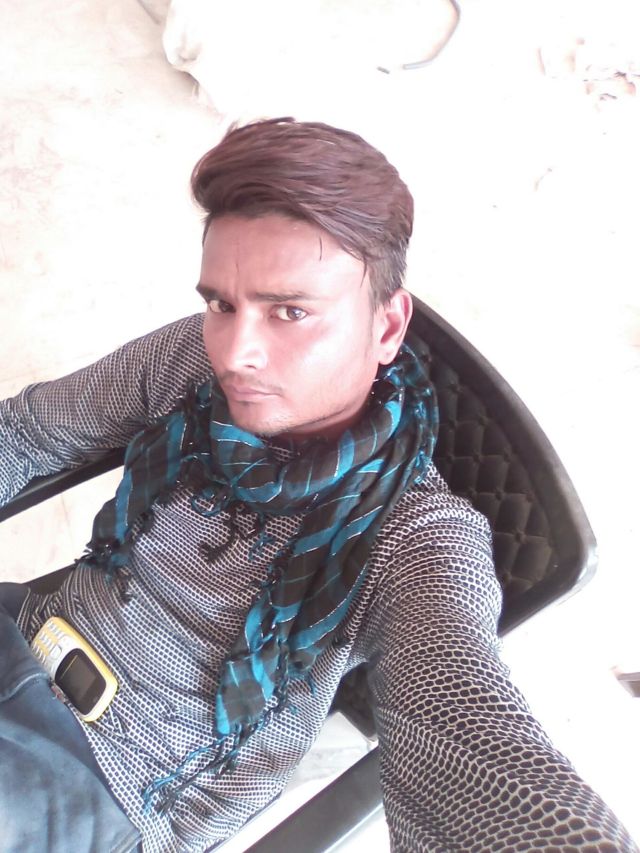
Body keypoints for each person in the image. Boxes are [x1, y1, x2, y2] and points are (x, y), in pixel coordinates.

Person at [0, 118, 636, 853]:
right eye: (223, 304)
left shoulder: (417, 540)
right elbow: (28, 433)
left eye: (291, 312)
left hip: (115, 788)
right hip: (30, 632)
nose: (236, 353)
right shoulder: (191, 361)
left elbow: (465, 730)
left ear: (387, 328)